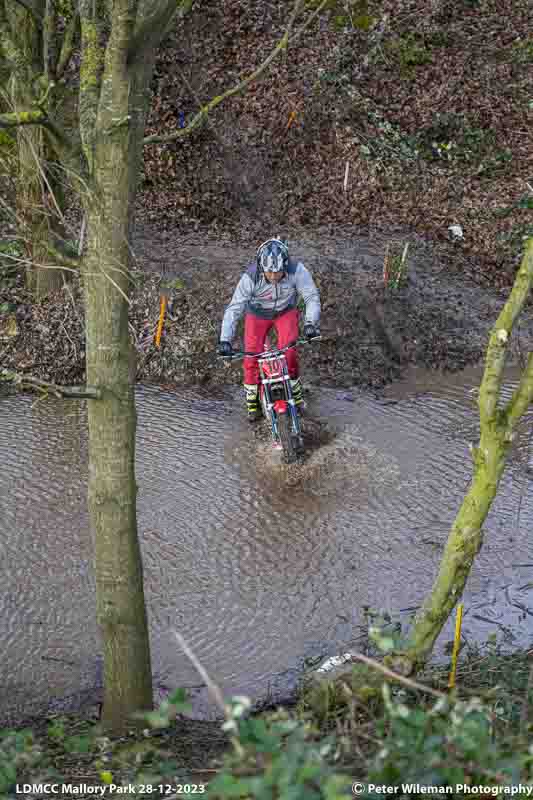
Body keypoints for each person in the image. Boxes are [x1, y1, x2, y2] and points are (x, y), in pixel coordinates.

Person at [217, 237, 321, 422]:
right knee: (251, 358)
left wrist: (310, 324)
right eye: (269, 272)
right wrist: (225, 340)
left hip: (285, 312)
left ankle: (296, 395)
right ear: (261, 267)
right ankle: (252, 403)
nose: (273, 277)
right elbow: (234, 309)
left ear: (285, 266)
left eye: (278, 272)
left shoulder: (297, 270)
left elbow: (311, 296)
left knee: (289, 353)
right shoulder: (250, 277)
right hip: (257, 314)